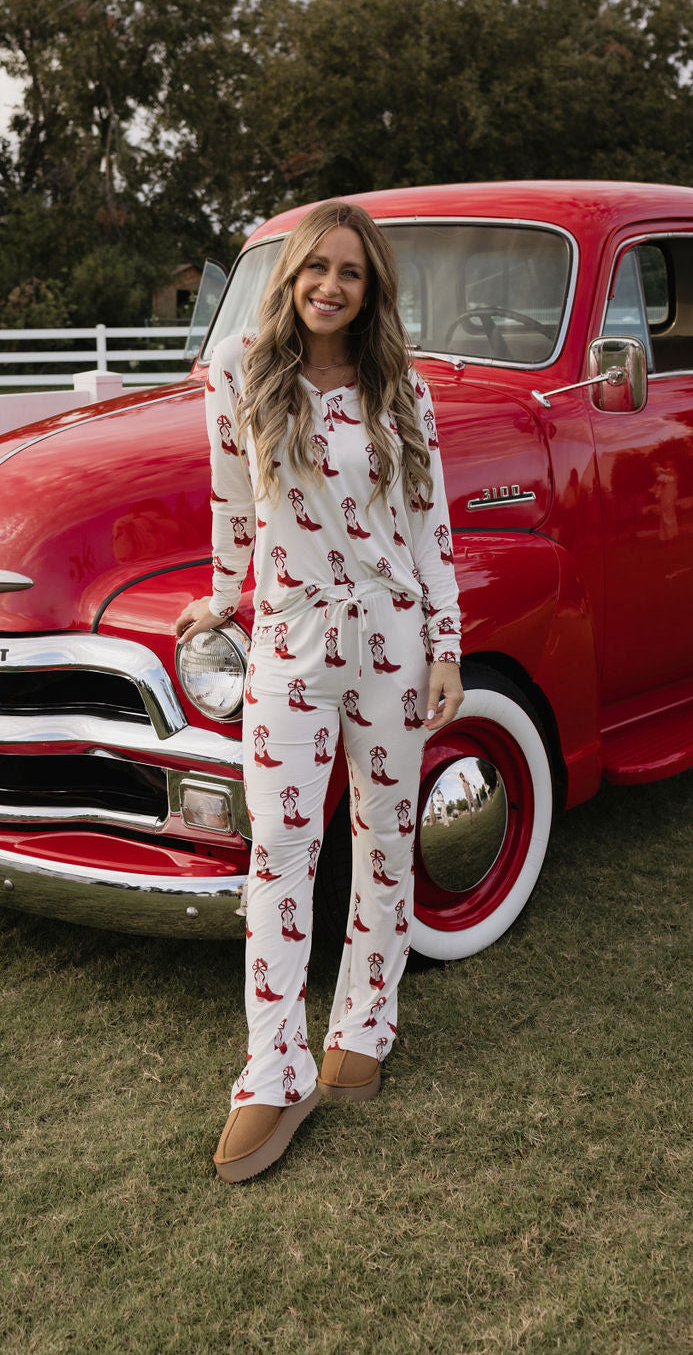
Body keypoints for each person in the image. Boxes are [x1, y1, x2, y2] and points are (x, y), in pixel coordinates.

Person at [174, 200, 463, 1182]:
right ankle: (272, 1064)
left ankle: (365, 1025)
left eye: (350, 272)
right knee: (281, 850)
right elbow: (231, 499)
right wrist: (218, 597)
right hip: (288, 640)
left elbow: (428, 529)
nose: (330, 286)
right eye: (315, 269)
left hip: (387, 634)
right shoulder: (241, 374)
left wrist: (445, 645)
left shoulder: (400, 393)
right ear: (290, 276)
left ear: (370, 287)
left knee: (385, 837)